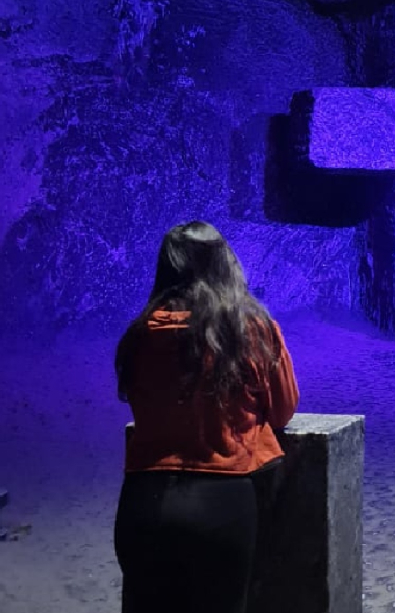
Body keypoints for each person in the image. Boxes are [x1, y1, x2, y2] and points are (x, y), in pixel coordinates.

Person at [113, 221, 299, 613]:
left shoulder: (140, 334)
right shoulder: (252, 330)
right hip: (221, 503)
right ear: (225, 265)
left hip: (143, 499)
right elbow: (283, 409)